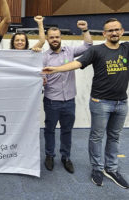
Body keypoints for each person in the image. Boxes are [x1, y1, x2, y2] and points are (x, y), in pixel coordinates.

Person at [42, 18, 129, 188]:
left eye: (116, 30)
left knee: (113, 136)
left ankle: (109, 168)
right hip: (92, 101)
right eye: (110, 30)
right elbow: (78, 63)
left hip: (118, 102)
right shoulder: (97, 51)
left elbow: (84, 47)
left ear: (122, 31)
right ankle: (92, 167)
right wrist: (54, 71)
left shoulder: (126, 48)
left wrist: (85, 29)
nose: (113, 33)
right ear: (104, 33)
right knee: (91, 136)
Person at [42, 21, 92, 174]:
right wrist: (42, 78)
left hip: (69, 101)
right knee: (49, 130)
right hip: (51, 101)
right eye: (51, 37)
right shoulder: (44, 57)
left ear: (61, 37)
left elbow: (88, 46)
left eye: (57, 37)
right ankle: (49, 156)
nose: (54, 39)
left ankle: (66, 157)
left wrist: (85, 30)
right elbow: (40, 75)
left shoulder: (69, 51)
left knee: (67, 130)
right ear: (47, 39)